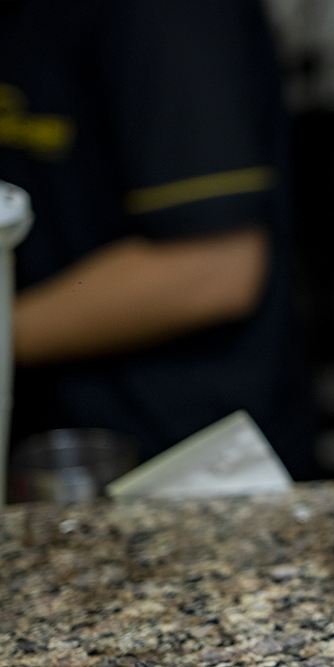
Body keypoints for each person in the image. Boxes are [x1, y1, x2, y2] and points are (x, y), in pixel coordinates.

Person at [0, 0, 317, 479]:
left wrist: (9, 334)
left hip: (191, 463)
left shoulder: (172, 18)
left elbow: (214, 269)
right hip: (59, 441)